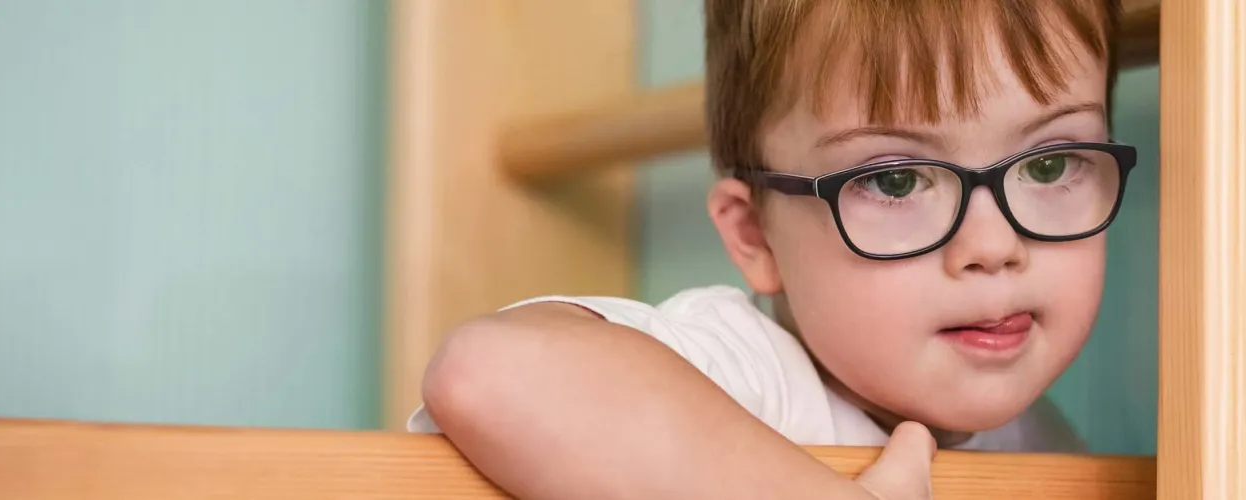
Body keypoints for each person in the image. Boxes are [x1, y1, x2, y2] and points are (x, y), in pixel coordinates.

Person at [411, 0, 1134, 497]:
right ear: (754, 235)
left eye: (1049, 164)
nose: (994, 245)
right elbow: (489, 374)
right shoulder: (751, 378)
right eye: (895, 178)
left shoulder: (1033, 436)